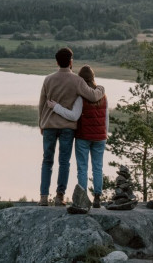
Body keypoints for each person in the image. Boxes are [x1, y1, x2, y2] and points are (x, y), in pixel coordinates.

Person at [38, 48, 105, 207]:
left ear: (56, 62)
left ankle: (43, 197)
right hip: (67, 127)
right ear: (71, 62)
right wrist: (102, 88)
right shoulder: (77, 81)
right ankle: (59, 196)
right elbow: (93, 95)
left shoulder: (48, 80)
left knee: (47, 161)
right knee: (64, 162)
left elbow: (42, 103)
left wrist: (41, 123)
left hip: (48, 125)